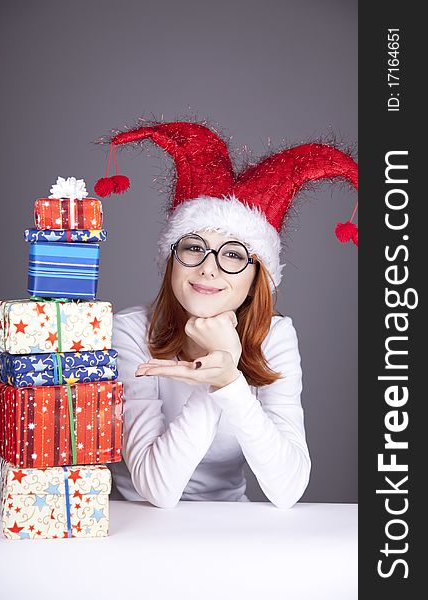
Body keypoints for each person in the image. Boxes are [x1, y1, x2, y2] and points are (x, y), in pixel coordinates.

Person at [96, 120, 358, 508]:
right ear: (172, 260)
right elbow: (156, 489)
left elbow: (287, 490)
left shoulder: (276, 336)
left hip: (232, 528)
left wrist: (228, 381)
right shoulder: (131, 330)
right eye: (193, 247)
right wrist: (211, 383)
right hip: (136, 526)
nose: (209, 268)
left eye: (233, 254)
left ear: (256, 276)